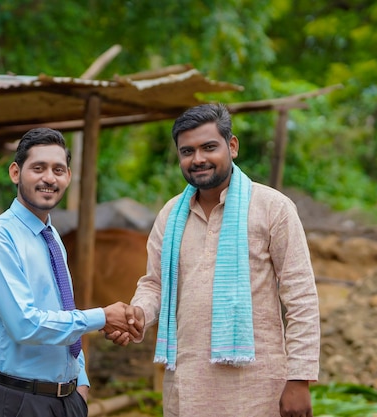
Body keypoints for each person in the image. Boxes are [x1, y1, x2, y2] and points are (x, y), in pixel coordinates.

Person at [109, 103, 321, 417]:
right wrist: (138, 314)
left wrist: (299, 379)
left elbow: (300, 296)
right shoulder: (170, 215)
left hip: (258, 389)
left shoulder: (272, 208)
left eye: (209, 147)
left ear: (231, 146)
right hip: (187, 385)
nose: (198, 159)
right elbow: (154, 285)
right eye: (187, 151)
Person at [0, 127, 141, 417]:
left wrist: (81, 381)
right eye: (38, 168)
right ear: (15, 172)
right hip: (22, 401)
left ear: (68, 177)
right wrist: (102, 317)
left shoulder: (52, 237)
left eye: (58, 169)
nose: (49, 178)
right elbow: (25, 324)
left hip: (68, 399)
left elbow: (64, 309)